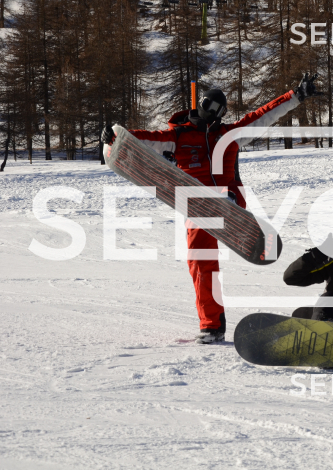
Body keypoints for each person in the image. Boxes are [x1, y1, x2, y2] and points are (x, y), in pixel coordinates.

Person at [101, 74, 320, 344]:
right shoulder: (178, 136)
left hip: (229, 199)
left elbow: (262, 116)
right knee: (200, 265)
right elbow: (146, 139)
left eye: (220, 111)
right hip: (196, 207)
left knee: (223, 198)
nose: (214, 114)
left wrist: (296, 95)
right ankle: (212, 326)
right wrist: (115, 136)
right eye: (211, 107)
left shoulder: (229, 135)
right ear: (201, 104)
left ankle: (227, 207)